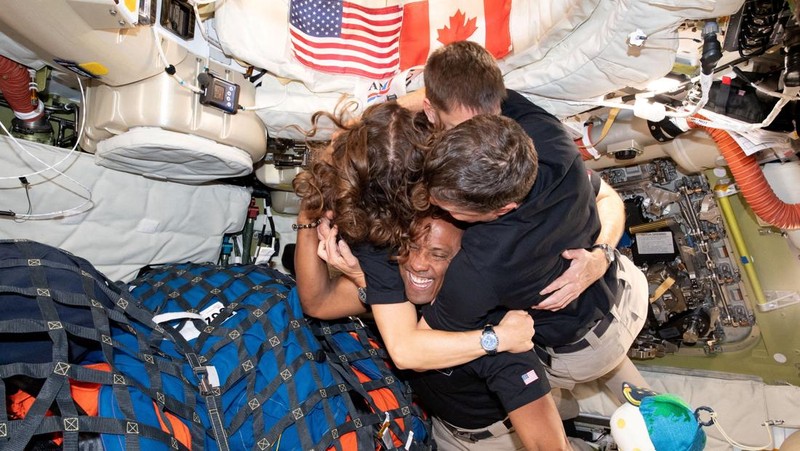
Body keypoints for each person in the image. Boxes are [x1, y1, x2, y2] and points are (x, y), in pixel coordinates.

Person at [292, 101, 572, 450]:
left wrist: (497, 338)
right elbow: (317, 302)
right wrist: (311, 208)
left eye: (439, 254)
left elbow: (550, 446)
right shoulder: (397, 280)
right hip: (437, 428)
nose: (420, 264)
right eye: (410, 250)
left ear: (461, 263)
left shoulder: (493, 321)